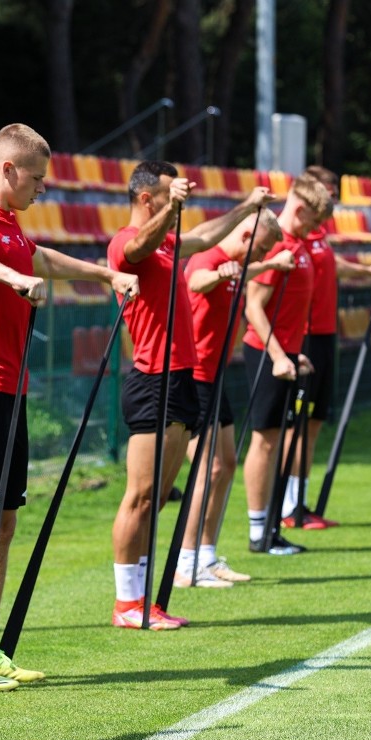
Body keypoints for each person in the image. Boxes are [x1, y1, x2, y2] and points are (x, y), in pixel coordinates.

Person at [0, 123, 139, 690]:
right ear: (7, 170)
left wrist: (104, 274)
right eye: (37, 179)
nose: (42, 190)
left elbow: (41, 256)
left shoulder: (11, 227)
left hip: (9, 389)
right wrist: (12, 277)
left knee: (2, 523)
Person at [106, 161, 272, 629]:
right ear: (146, 199)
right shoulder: (127, 242)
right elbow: (139, 245)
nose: (177, 205)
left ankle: (142, 601)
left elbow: (201, 238)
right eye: (166, 195)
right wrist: (174, 208)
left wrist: (246, 208)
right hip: (151, 380)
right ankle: (125, 604)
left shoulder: (169, 247)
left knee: (158, 497)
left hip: (179, 379)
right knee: (140, 497)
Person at [174, 209, 294, 589]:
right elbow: (196, 281)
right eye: (259, 248)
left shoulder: (237, 265)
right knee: (206, 470)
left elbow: (242, 274)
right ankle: (185, 563)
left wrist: (270, 262)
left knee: (226, 465)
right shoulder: (210, 258)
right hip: (195, 380)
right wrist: (221, 275)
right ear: (245, 235)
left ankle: (206, 558)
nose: (259, 258)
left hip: (215, 378)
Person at [280, 165, 371, 529]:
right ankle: (287, 506)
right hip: (307, 335)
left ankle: (301, 503)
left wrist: (368, 270)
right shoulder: (295, 236)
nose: (330, 198)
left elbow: (333, 268)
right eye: (325, 191)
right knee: (296, 423)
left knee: (313, 423)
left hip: (325, 334)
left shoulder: (318, 233)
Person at [241, 173, 332, 555]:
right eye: (312, 220)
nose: (315, 228)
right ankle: (259, 530)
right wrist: (279, 355)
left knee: (277, 441)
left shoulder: (299, 245)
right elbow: (253, 307)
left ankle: (272, 526)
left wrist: (295, 352)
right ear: (299, 209)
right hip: (266, 355)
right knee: (264, 443)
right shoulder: (279, 248)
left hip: (287, 354)